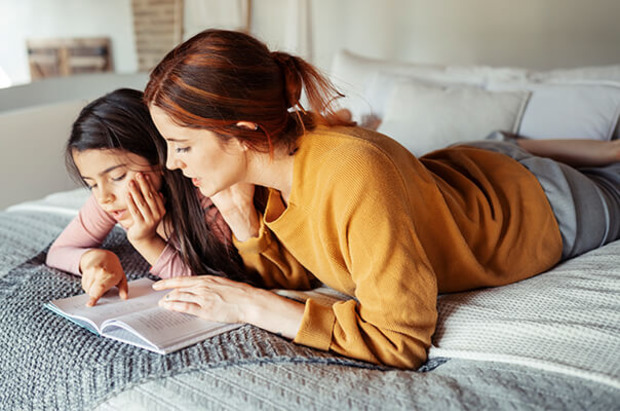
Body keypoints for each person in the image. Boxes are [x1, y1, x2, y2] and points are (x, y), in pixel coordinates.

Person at [143, 29, 620, 369]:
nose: (171, 164)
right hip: (466, 168)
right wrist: (242, 218)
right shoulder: (273, 160)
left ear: (245, 133)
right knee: (497, 142)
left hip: (536, 206)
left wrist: (251, 307)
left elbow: (400, 340)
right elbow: (305, 271)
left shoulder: (351, 173)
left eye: (182, 146)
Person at [46, 88, 254, 307]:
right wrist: (90, 260)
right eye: (91, 184)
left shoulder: (208, 196)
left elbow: (216, 292)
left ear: (159, 158)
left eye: (117, 176)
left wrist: (146, 241)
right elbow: (58, 252)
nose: (104, 196)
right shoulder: (107, 200)